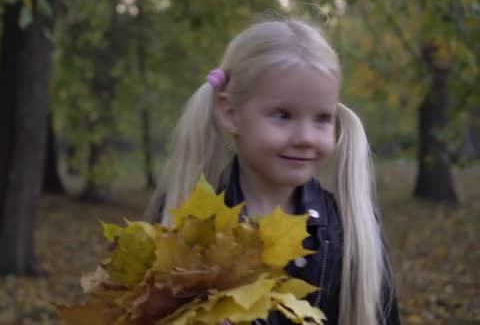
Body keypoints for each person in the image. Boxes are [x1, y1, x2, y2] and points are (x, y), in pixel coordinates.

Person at [147, 20, 401, 325]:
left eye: (321, 118)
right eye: (282, 115)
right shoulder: (184, 223)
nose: (306, 137)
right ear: (230, 114)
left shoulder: (348, 228)